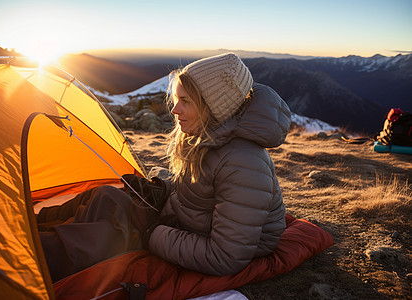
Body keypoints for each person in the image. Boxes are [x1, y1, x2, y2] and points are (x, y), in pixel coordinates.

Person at [37, 52, 291, 281]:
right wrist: (160, 189)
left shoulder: (242, 162)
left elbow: (224, 256)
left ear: (214, 108)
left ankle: (29, 258)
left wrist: (151, 233)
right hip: (189, 222)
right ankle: (33, 223)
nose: (176, 109)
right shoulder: (210, 138)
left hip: (210, 243)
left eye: (186, 101)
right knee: (107, 196)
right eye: (176, 99)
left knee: (106, 236)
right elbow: (200, 192)